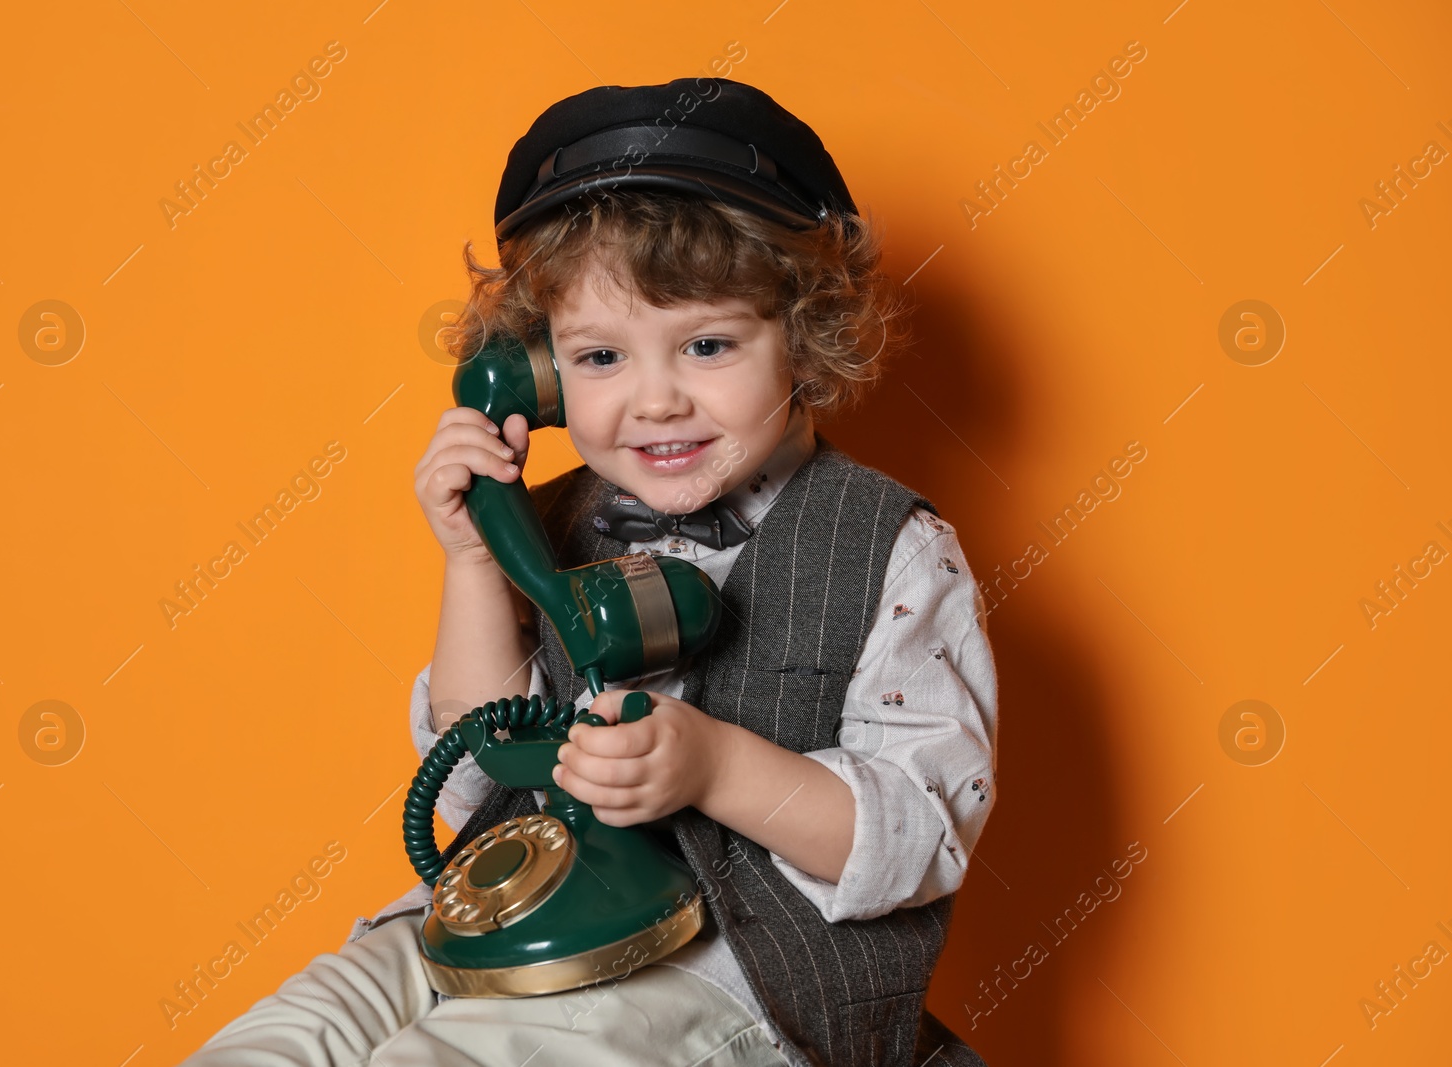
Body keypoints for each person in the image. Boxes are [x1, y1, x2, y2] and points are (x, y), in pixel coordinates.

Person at [178, 77, 998, 1067]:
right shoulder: (556, 517)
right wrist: (480, 555)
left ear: (804, 335)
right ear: (535, 374)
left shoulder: (889, 547)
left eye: (705, 344)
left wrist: (714, 764)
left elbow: (921, 834)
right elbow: (476, 768)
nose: (654, 400)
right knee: (273, 1041)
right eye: (600, 356)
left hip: (733, 969)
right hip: (511, 924)